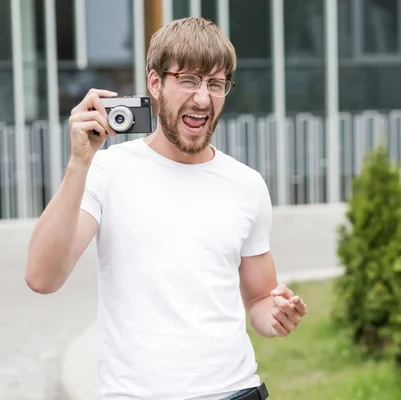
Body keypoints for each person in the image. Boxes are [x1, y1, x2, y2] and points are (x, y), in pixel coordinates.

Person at [25, 17, 307, 400]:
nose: (203, 98)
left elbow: (258, 300)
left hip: (235, 391)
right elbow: (42, 277)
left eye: (216, 84)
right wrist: (79, 163)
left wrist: (275, 315)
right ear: (155, 83)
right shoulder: (107, 171)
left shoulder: (247, 184)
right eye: (188, 80)